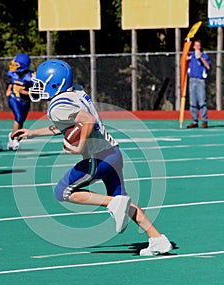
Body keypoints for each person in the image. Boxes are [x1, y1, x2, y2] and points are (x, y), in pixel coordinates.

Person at [12, 59, 172, 256]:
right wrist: (32, 133)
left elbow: (88, 120)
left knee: (63, 192)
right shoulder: (75, 93)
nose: (36, 87)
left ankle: (112, 204)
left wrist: (79, 147)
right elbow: (64, 125)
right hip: (113, 153)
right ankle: (157, 239)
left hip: (100, 158)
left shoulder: (57, 106)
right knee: (122, 200)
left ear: (55, 84)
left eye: (41, 83)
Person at [6, 53, 34, 151]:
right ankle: (15, 139)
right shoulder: (13, 73)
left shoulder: (30, 77)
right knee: (18, 118)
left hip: (25, 101)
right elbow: (11, 81)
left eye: (16, 64)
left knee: (21, 120)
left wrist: (24, 92)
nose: (13, 65)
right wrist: (9, 89)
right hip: (14, 99)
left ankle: (12, 136)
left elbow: (36, 93)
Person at [187, 39, 211, 129]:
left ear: (200, 47)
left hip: (200, 80)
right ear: (193, 47)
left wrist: (201, 57)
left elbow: (208, 66)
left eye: (198, 45)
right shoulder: (191, 56)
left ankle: (204, 121)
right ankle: (194, 121)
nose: (197, 47)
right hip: (191, 80)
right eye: (195, 45)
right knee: (192, 102)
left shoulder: (204, 55)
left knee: (202, 102)